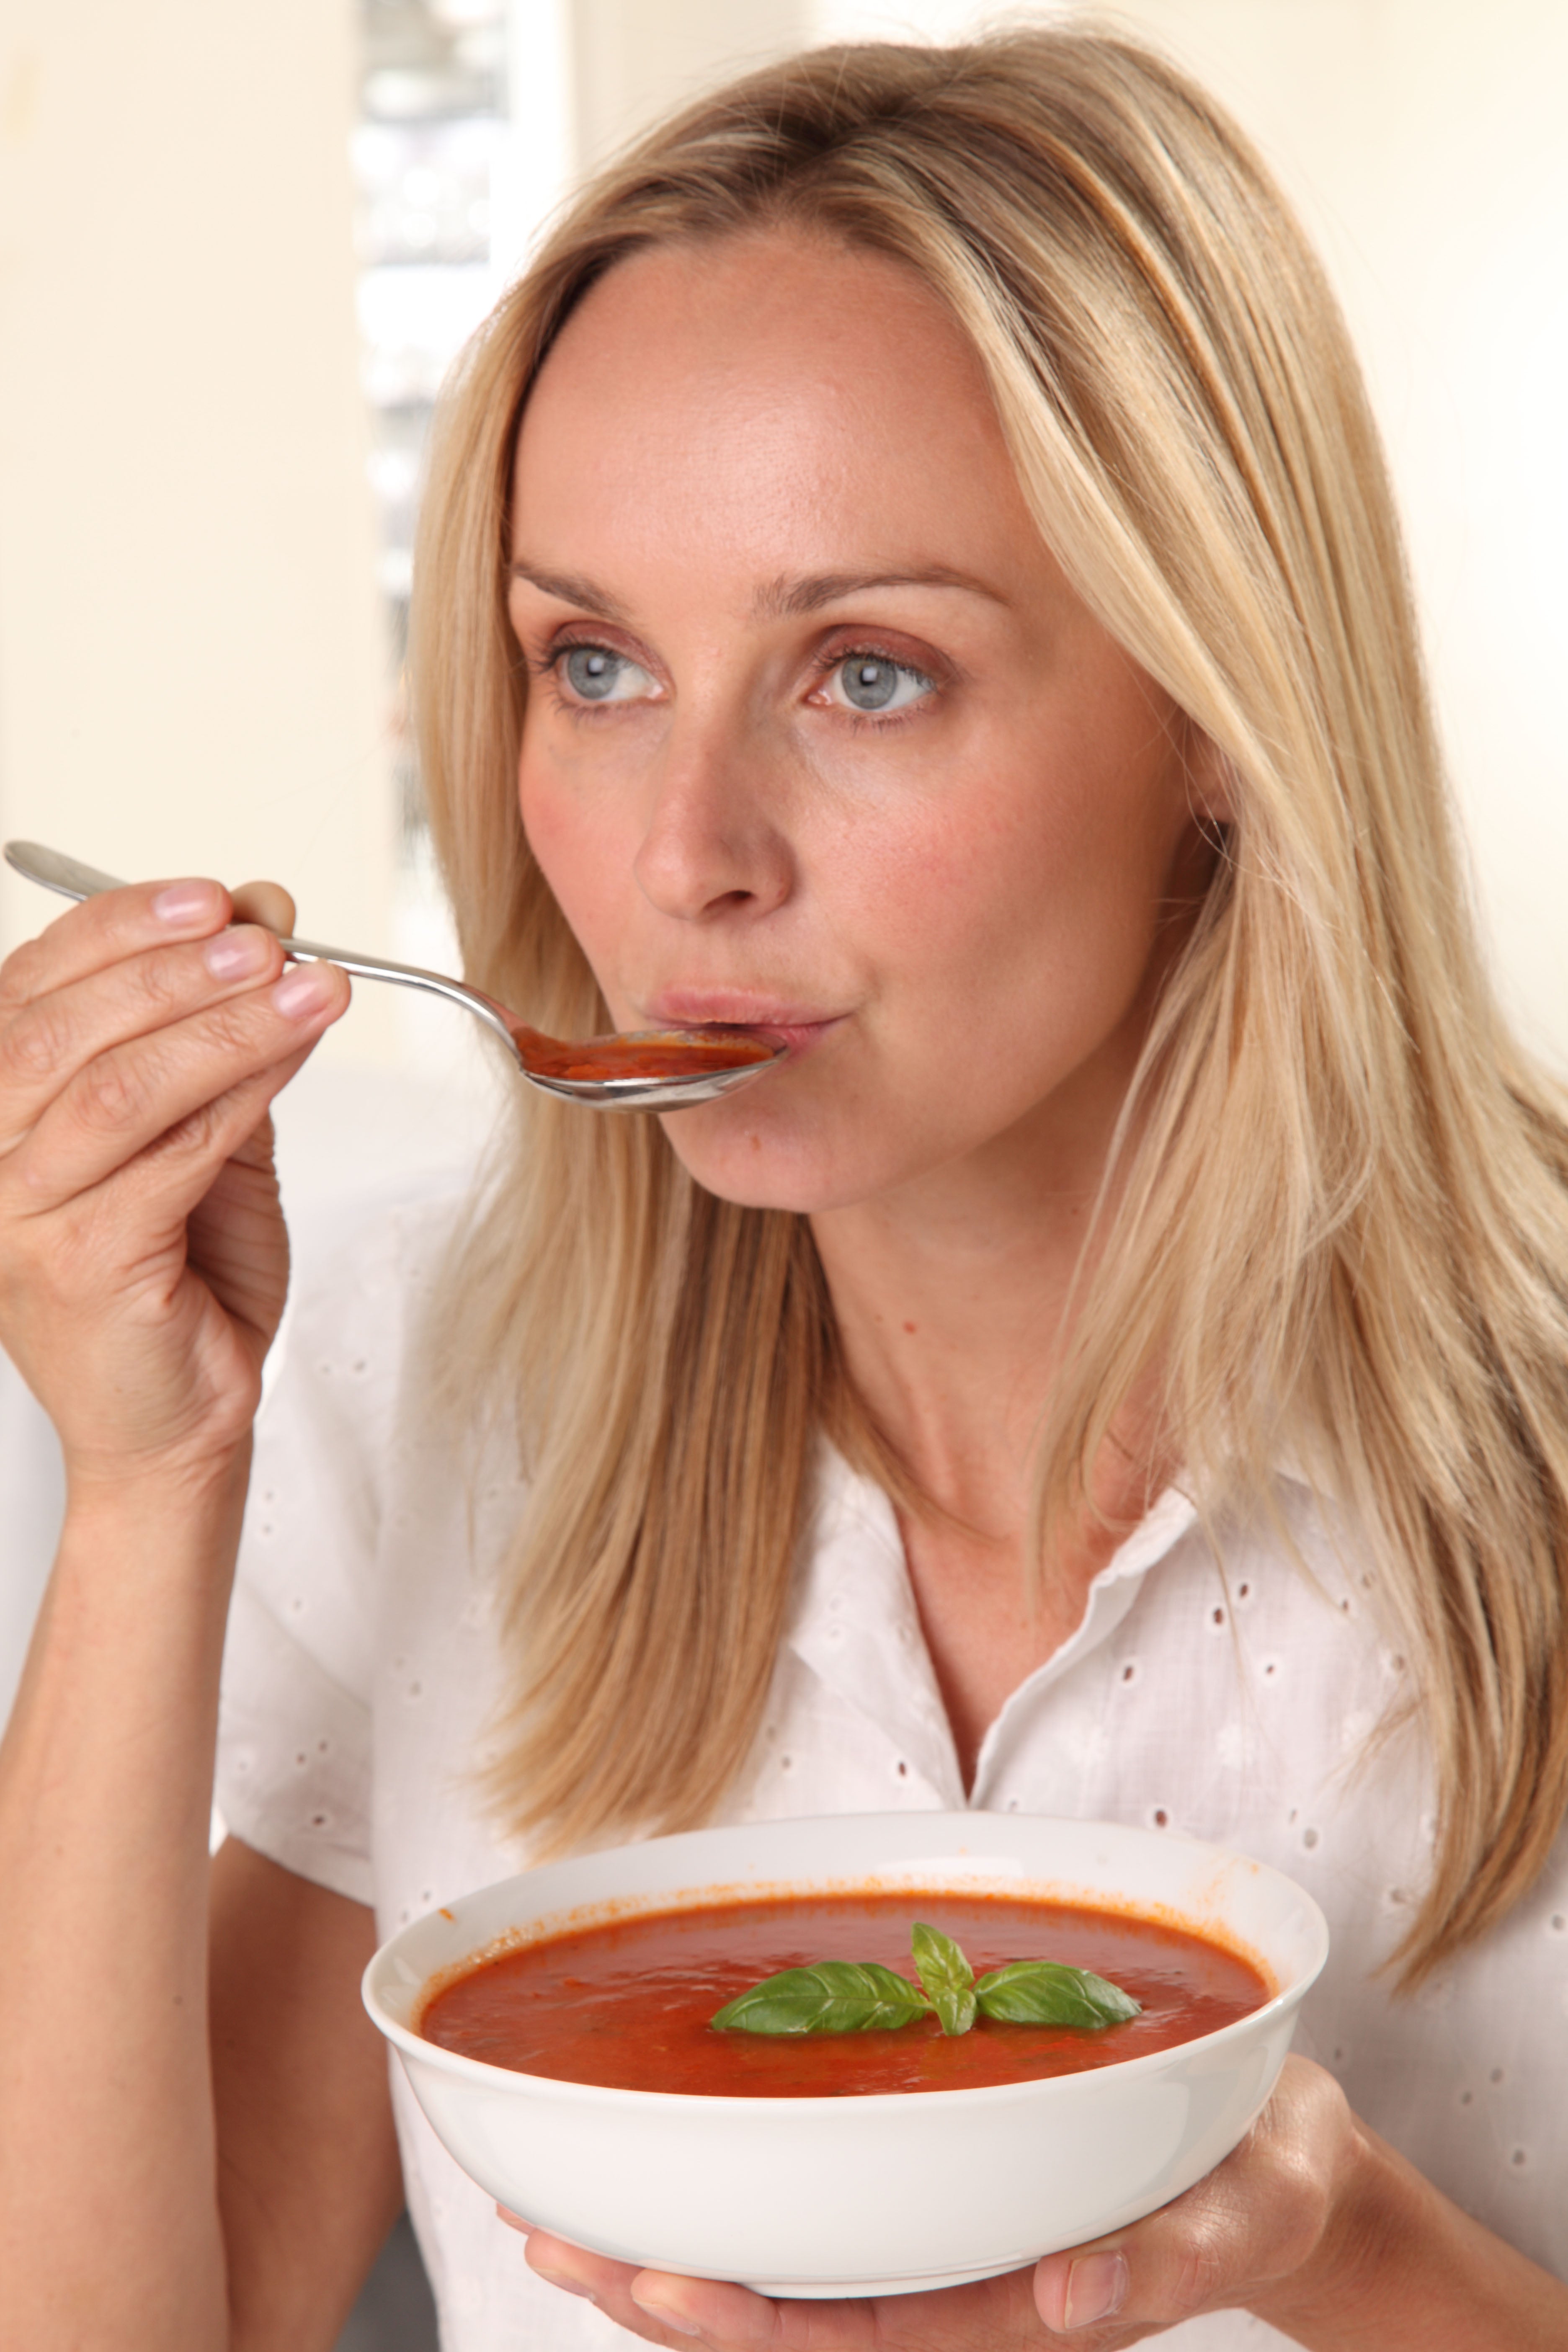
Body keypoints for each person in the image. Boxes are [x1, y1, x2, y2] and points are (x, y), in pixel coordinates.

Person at [0, 25, 1565, 2349]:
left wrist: (1355, 2257)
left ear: (1218, 713)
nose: (680, 858)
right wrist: (145, 1481)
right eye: (598, 663)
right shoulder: (425, 1387)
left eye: (867, 674)